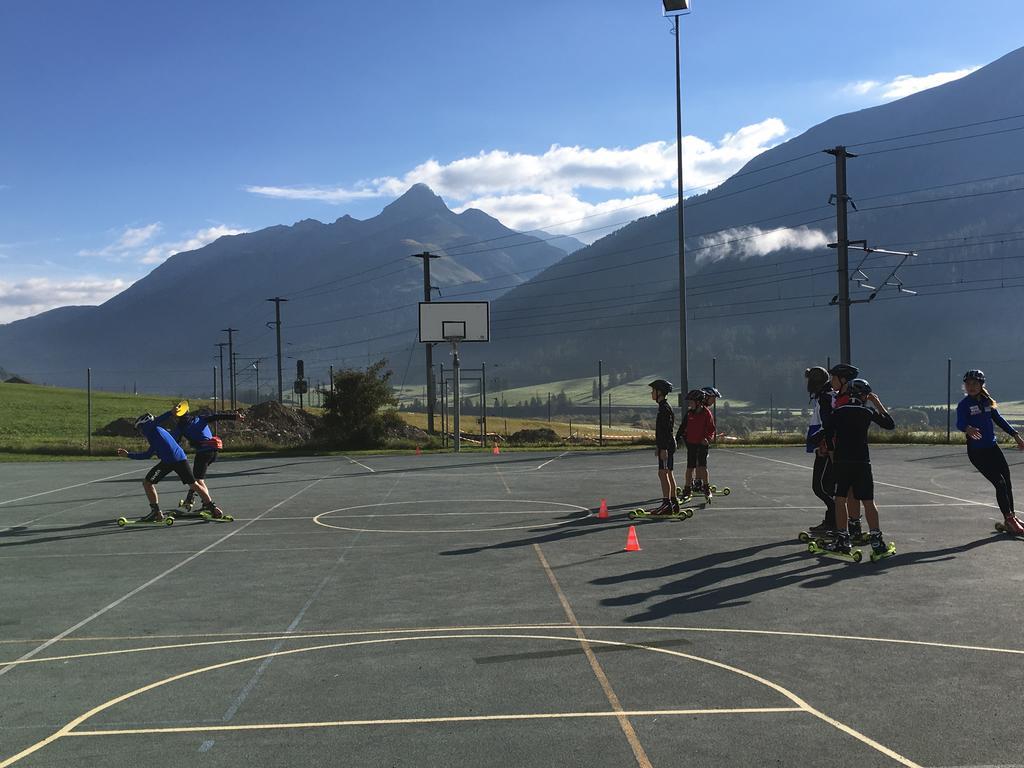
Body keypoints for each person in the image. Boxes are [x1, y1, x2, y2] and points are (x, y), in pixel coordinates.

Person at [820, 378, 895, 557]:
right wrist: (877, 403)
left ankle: (843, 539)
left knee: (840, 498)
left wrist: (831, 454)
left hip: (842, 461)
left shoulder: (838, 411)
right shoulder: (867, 411)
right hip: (862, 461)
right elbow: (889, 425)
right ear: (865, 396)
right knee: (868, 501)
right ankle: (877, 540)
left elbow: (828, 434)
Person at [117, 413, 223, 522]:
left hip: (171, 461)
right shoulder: (156, 432)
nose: (140, 432)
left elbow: (158, 420)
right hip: (178, 459)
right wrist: (128, 455)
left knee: (148, 483)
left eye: (139, 428)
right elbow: (147, 454)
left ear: (144, 424)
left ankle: (156, 512)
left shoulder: (150, 427)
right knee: (193, 484)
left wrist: (171, 412)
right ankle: (212, 508)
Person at [956, 369, 1024, 534]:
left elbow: (999, 419)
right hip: (977, 452)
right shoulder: (964, 405)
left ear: (981, 385)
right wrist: (967, 428)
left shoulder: (987, 402)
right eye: (968, 384)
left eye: (975, 383)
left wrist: (1016, 436)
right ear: (964, 386)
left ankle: (1011, 518)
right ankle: (1009, 519)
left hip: (993, 448)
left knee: (1006, 482)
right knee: (999, 483)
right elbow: (959, 423)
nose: (971, 386)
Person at [156, 401, 244, 513]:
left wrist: (162, 450)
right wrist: (235, 417)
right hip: (213, 451)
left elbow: (174, 442)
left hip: (203, 453)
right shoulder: (199, 418)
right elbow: (216, 416)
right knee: (197, 479)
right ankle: (195, 498)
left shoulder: (180, 427)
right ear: (187, 411)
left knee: (197, 481)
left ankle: (207, 504)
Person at [826, 363, 865, 541]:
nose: (831, 381)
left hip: (843, 452)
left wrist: (831, 449)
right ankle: (854, 527)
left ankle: (845, 531)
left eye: (833, 378)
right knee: (851, 491)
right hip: (853, 451)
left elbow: (835, 429)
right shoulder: (844, 399)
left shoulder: (843, 401)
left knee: (843, 493)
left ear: (843, 381)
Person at [804, 367, 836, 535]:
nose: (807, 383)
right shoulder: (822, 396)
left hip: (825, 448)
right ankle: (832, 520)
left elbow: (827, 423)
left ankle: (839, 518)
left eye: (809, 379)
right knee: (825, 487)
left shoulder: (825, 397)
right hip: (822, 446)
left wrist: (822, 443)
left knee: (821, 487)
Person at [647, 379, 680, 516]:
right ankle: (673, 502)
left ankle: (667, 504)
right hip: (666, 444)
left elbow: (666, 430)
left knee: (663, 473)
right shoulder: (664, 407)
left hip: (667, 445)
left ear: (659, 392)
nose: (651, 393)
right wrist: (659, 446)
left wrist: (663, 448)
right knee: (668, 473)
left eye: (653, 390)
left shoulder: (664, 408)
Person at [678, 388, 716, 501]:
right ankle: (687, 488)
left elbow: (711, 429)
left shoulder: (706, 413)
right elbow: (682, 427)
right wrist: (676, 438)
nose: (689, 404)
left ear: (698, 402)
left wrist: (707, 438)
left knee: (703, 467)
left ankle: (706, 487)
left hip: (702, 444)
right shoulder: (689, 413)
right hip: (691, 444)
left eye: (691, 402)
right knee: (690, 468)